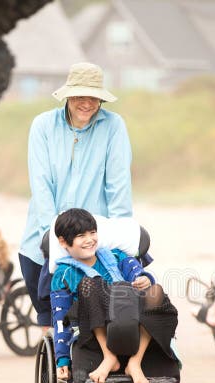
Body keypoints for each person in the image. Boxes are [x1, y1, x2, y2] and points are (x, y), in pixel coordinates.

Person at [19, 62, 133, 329]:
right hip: (44, 238)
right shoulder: (43, 126)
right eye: (80, 95)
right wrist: (54, 238)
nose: (87, 103)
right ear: (68, 95)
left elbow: (118, 184)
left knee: (100, 317)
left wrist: (123, 234)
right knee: (51, 320)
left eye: (93, 96)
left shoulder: (113, 126)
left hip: (94, 238)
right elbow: (41, 182)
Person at [51, 209, 178, 383]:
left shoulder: (117, 257)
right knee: (90, 285)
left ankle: (135, 362)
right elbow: (60, 317)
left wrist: (143, 278)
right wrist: (62, 358)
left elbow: (136, 271)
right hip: (93, 329)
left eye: (92, 233)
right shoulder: (63, 273)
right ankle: (110, 357)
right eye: (81, 236)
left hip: (130, 321)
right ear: (63, 242)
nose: (89, 239)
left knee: (155, 291)